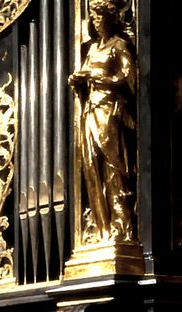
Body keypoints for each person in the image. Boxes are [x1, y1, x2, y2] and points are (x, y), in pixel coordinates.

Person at [70, 0, 137, 244]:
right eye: (93, 17)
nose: (96, 21)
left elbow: (129, 79)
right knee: (91, 164)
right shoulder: (92, 49)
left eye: (99, 17)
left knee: (114, 166)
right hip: (91, 108)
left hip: (108, 109)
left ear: (109, 17)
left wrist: (99, 76)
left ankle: (123, 224)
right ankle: (101, 227)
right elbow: (85, 74)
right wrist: (77, 80)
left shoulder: (118, 46)